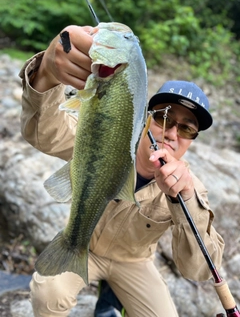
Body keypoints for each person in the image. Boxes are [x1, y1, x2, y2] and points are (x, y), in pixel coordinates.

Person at [19, 25, 225, 317]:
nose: (171, 133)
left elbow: (200, 268)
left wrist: (184, 199)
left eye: (187, 128)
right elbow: (43, 132)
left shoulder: (191, 189)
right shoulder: (109, 136)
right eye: (164, 117)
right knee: (48, 294)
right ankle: (110, 298)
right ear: (145, 114)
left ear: (192, 139)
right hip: (84, 245)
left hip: (134, 262)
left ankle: (112, 296)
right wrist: (46, 75)